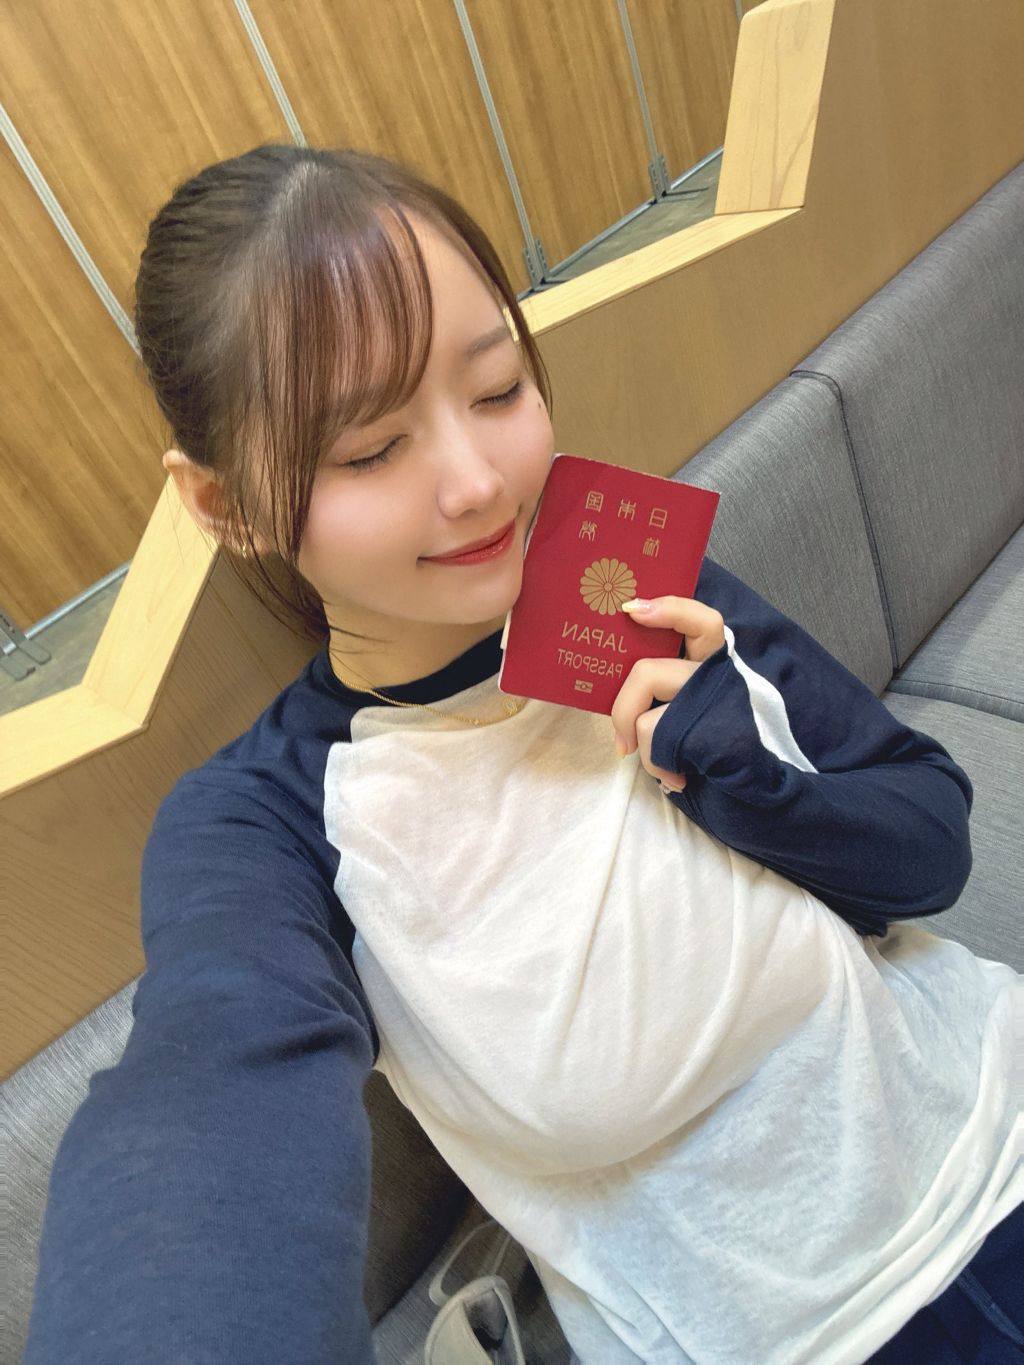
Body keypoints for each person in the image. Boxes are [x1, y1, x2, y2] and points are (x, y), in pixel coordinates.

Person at [25, 144, 1021, 1365]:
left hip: (994, 1121)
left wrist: (752, 782)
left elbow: (929, 847)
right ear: (225, 505)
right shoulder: (268, 820)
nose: (477, 482)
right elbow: (213, 1100)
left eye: (496, 389)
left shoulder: (629, 587)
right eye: (369, 450)